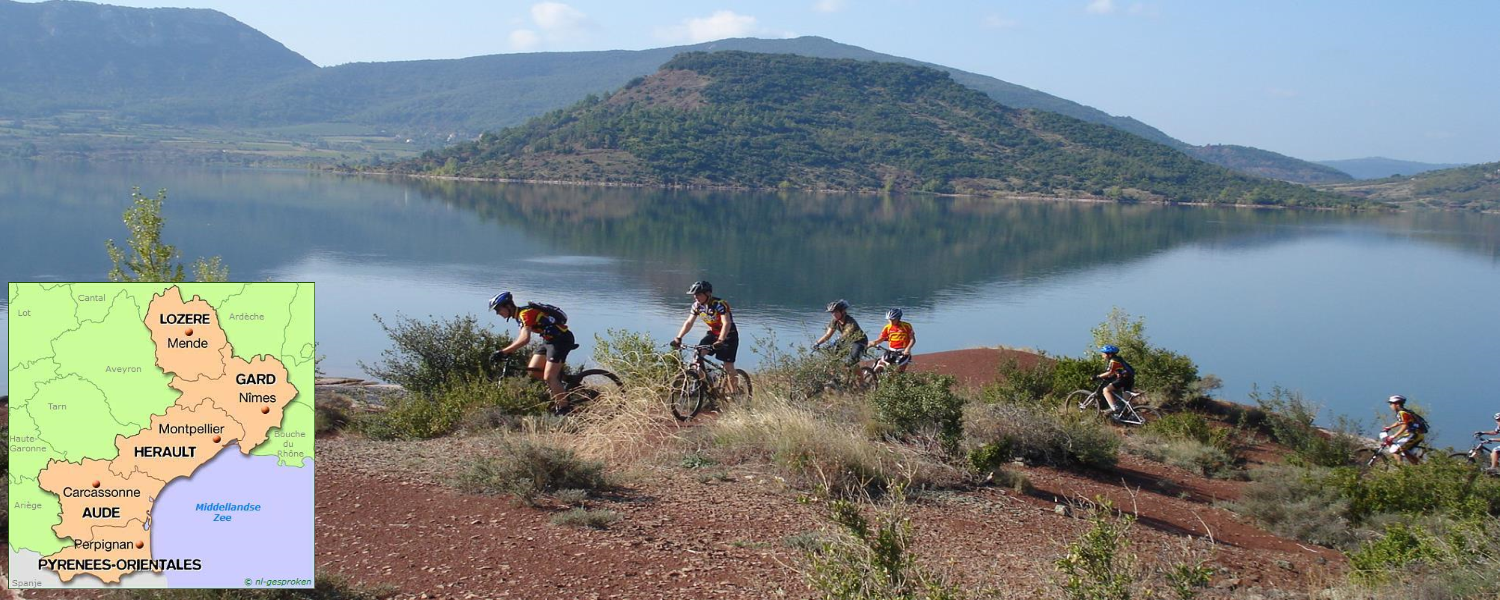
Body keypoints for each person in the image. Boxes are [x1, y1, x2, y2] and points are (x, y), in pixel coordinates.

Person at [487, 291, 575, 413]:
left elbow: (525, 339)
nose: (498, 313)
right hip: (549, 341)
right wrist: (508, 351)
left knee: (549, 377)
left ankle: (565, 409)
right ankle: (567, 382)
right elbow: (521, 338)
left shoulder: (525, 314)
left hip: (561, 340)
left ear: (508, 306)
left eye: (498, 309)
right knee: (533, 371)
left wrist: (503, 352)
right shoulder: (519, 316)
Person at [671, 280, 740, 393]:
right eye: (694, 295)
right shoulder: (697, 306)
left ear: (707, 294)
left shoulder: (720, 304)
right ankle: (707, 386)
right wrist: (678, 337)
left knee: (728, 366)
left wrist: (721, 340)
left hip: (728, 336)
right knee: (697, 359)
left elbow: (726, 323)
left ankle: (734, 393)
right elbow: (689, 322)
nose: (695, 297)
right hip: (713, 334)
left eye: (698, 294)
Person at [812, 299, 868, 366]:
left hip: (859, 342)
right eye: (832, 312)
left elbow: (846, 333)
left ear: (843, 311)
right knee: (832, 358)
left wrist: (837, 340)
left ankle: (858, 376)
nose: (834, 314)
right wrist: (817, 343)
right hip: (847, 341)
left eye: (836, 312)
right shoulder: (835, 321)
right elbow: (828, 334)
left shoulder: (850, 322)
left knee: (852, 362)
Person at [1382, 395, 1427, 465]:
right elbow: (1400, 422)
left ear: (1397, 404)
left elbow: (1404, 426)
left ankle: (1403, 469)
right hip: (1415, 434)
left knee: (1395, 450)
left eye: (1391, 403)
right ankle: (1417, 467)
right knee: (1405, 451)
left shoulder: (1402, 413)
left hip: (1414, 435)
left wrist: (1394, 436)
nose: (1390, 406)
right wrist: (1389, 427)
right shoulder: (1403, 411)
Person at [868, 308, 914, 373]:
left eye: (893, 320)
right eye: (889, 320)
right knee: (879, 366)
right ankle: (873, 379)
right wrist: (874, 342)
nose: (891, 322)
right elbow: (881, 339)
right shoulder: (887, 327)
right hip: (891, 351)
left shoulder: (906, 326)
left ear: (898, 318)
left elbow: (912, 340)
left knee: (897, 371)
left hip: (903, 352)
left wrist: (907, 349)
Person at [1094, 345, 1136, 417]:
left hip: (1123, 380)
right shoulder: (1119, 359)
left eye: (1104, 353)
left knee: (1106, 390)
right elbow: (1117, 371)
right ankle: (1133, 415)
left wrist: (1097, 376)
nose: (1102, 355)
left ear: (1109, 354)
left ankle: (1114, 408)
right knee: (1126, 401)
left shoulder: (1113, 361)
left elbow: (1110, 372)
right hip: (1129, 379)